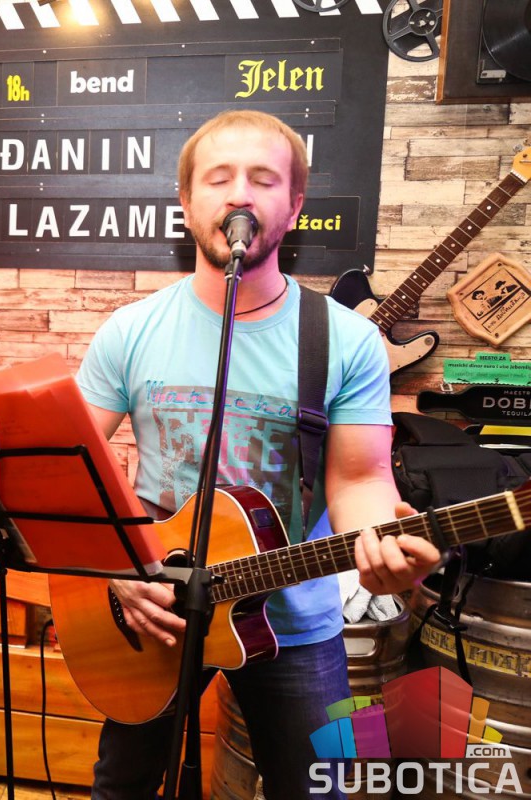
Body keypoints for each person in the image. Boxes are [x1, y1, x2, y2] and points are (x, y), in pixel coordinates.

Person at [75, 110, 441, 799]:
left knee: (317, 789)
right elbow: (72, 472)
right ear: (186, 203)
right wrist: (117, 566)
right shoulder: (129, 331)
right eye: (219, 178)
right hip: (157, 611)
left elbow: (359, 480)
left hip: (294, 621)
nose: (240, 194)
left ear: (294, 206)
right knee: (122, 786)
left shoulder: (345, 340)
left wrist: (383, 547)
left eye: (264, 179)